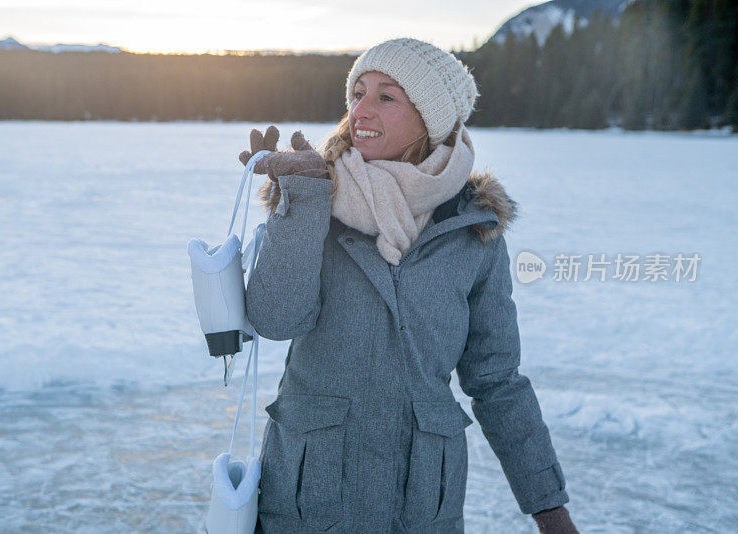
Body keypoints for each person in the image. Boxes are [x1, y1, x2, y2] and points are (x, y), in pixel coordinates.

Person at [238, 37, 578, 534]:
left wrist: (550, 509)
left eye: (386, 96)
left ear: (431, 118)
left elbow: (497, 380)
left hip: (422, 506)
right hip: (311, 501)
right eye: (357, 93)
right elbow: (275, 319)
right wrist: (303, 203)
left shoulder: (474, 229)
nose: (360, 111)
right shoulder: (316, 195)